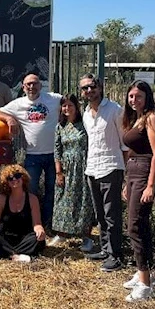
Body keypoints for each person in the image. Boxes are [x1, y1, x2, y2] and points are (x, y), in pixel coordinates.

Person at [0, 72, 63, 227]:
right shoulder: (18, 104)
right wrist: (10, 118)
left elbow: (70, 104)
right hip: (32, 155)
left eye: (35, 83)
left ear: (40, 85)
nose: (32, 87)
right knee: (30, 191)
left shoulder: (54, 99)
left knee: (53, 191)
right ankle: (31, 223)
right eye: (28, 84)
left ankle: (48, 223)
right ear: (23, 87)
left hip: (54, 155)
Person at [79, 73, 129, 273]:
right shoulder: (85, 114)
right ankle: (105, 249)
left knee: (112, 214)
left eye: (92, 86)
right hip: (92, 168)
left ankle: (116, 255)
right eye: (85, 88)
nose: (89, 91)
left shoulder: (115, 110)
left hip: (111, 167)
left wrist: (124, 174)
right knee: (100, 215)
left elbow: (124, 143)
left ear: (99, 87)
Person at [121, 80, 155, 302]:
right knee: (138, 225)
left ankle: (145, 285)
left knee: (135, 226)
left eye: (138, 96)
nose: (134, 100)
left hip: (145, 172)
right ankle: (141, 272)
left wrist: (150, 185)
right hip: (134, 173)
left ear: (147, 97)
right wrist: (127, 182)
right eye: (131, 96)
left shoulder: (152, 118)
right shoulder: (136, 119)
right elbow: (131, 151)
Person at [49, 94, 95, 252]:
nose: (67, 108)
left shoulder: (85, 125)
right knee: (62, 201)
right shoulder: (59, 127)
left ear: (76, 107)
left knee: (83, 201)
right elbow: (57, 150)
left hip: (83, 168)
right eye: (64, 106)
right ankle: (61, 234)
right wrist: (58, 172)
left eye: (70, 105)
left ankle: (86, 237)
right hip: (67, 169)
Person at [0, 164, 46, 262]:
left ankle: (7, 254)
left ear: (23, 178)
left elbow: (36, 224)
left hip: (25, 237)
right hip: (6, 237)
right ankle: (18, 256)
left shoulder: (32, 199)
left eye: (17, 176)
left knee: (37, 239)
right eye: (10, 178)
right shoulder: (2, 198)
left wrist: (39, 229)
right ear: (6, 182)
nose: (14, 180)